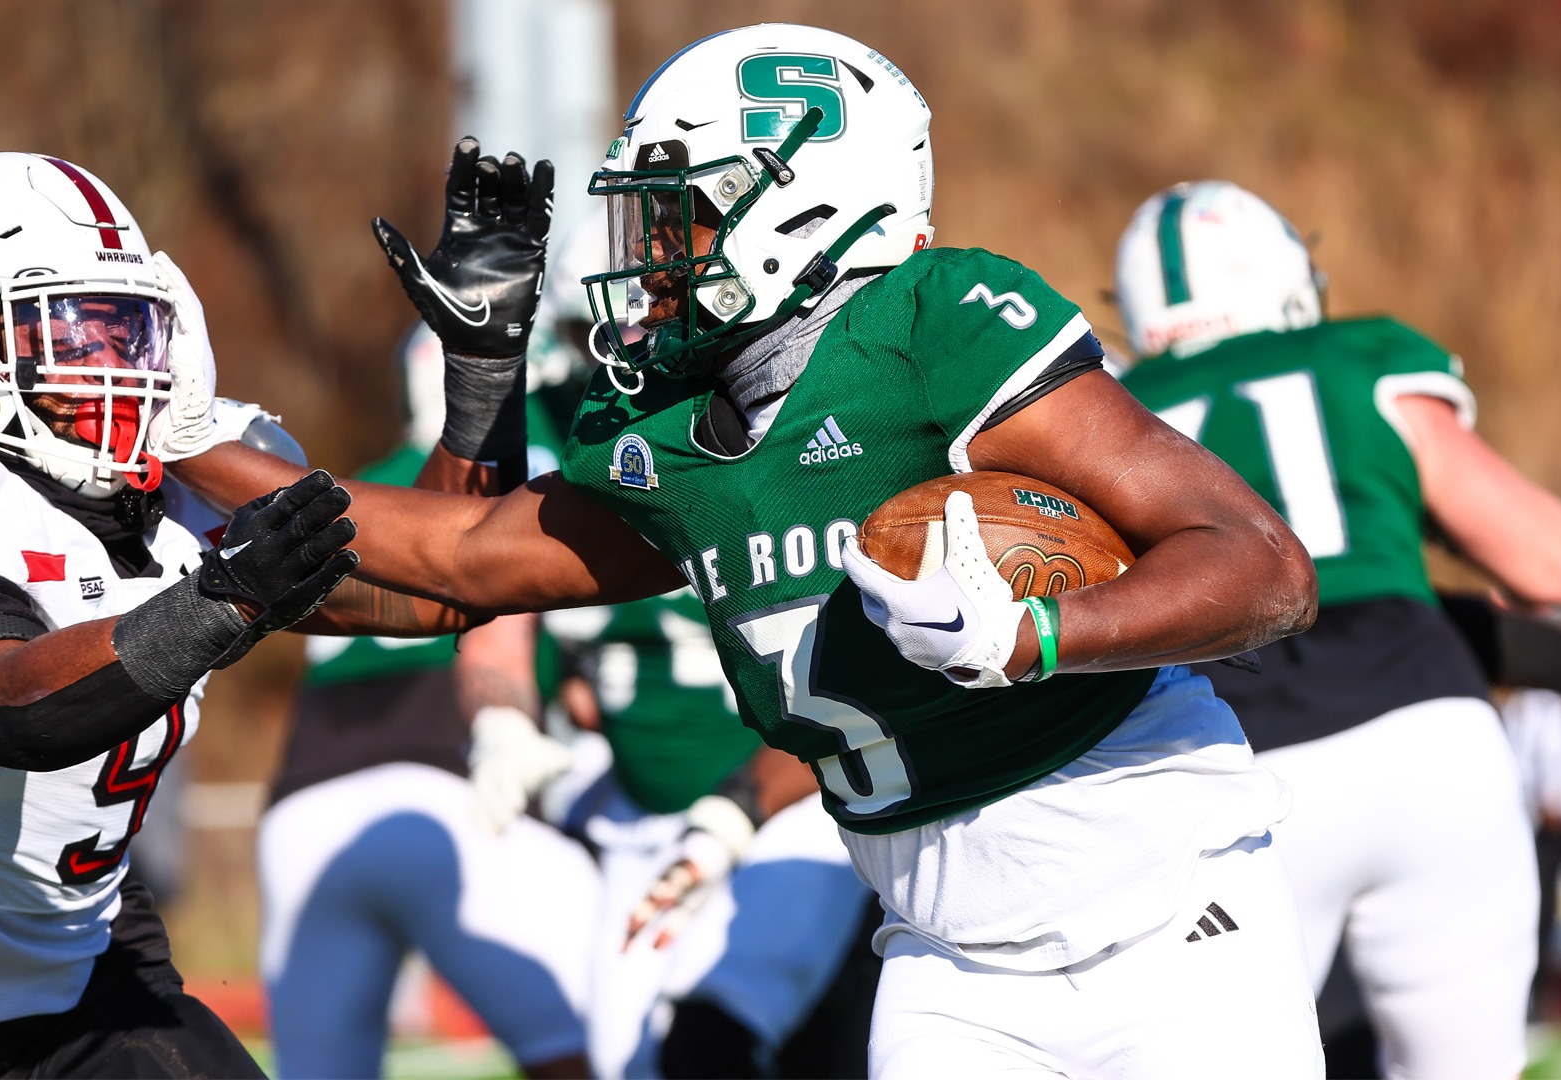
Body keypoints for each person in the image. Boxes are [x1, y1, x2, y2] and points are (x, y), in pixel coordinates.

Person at [171, 24, 1327, 1077]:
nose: (650, 259)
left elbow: (1261, 564)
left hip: (1171, 918)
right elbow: (463, 554)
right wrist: (182, 430)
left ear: (808, 209)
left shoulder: (933, 325)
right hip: (944, 956)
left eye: (682, 219)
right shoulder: (674, 439)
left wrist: (1039, 634)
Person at [0, 153, 359, 1077]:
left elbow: (433, 589)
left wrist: (476, 384)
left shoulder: (173, 497)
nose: (115, 370)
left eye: (124, 334)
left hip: (74, 978)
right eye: (68, 336)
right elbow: (1, 704)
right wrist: (221, 601)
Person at [1113, 179, 1561, 1077]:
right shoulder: (1360, 357)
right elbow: (1552, 565)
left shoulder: (1112, 409)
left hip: (1244, 761)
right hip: (1432, 738)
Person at [478, 218, 880, 1078]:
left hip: (791, 801)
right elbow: (482, 595)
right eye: (621, 322)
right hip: (643, 823)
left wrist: (735, 807)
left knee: (723, 1038)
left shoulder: (766, 432)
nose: (639, 344)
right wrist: (502, 719)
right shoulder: (565, 455)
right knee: (629, 1062)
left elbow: (855, 673)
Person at [255, 321, 598, 1080]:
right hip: (452, 788)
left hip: (303, 812)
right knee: (593, 1055)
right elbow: (526, 632)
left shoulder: (358, 482)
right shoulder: (540, 466)